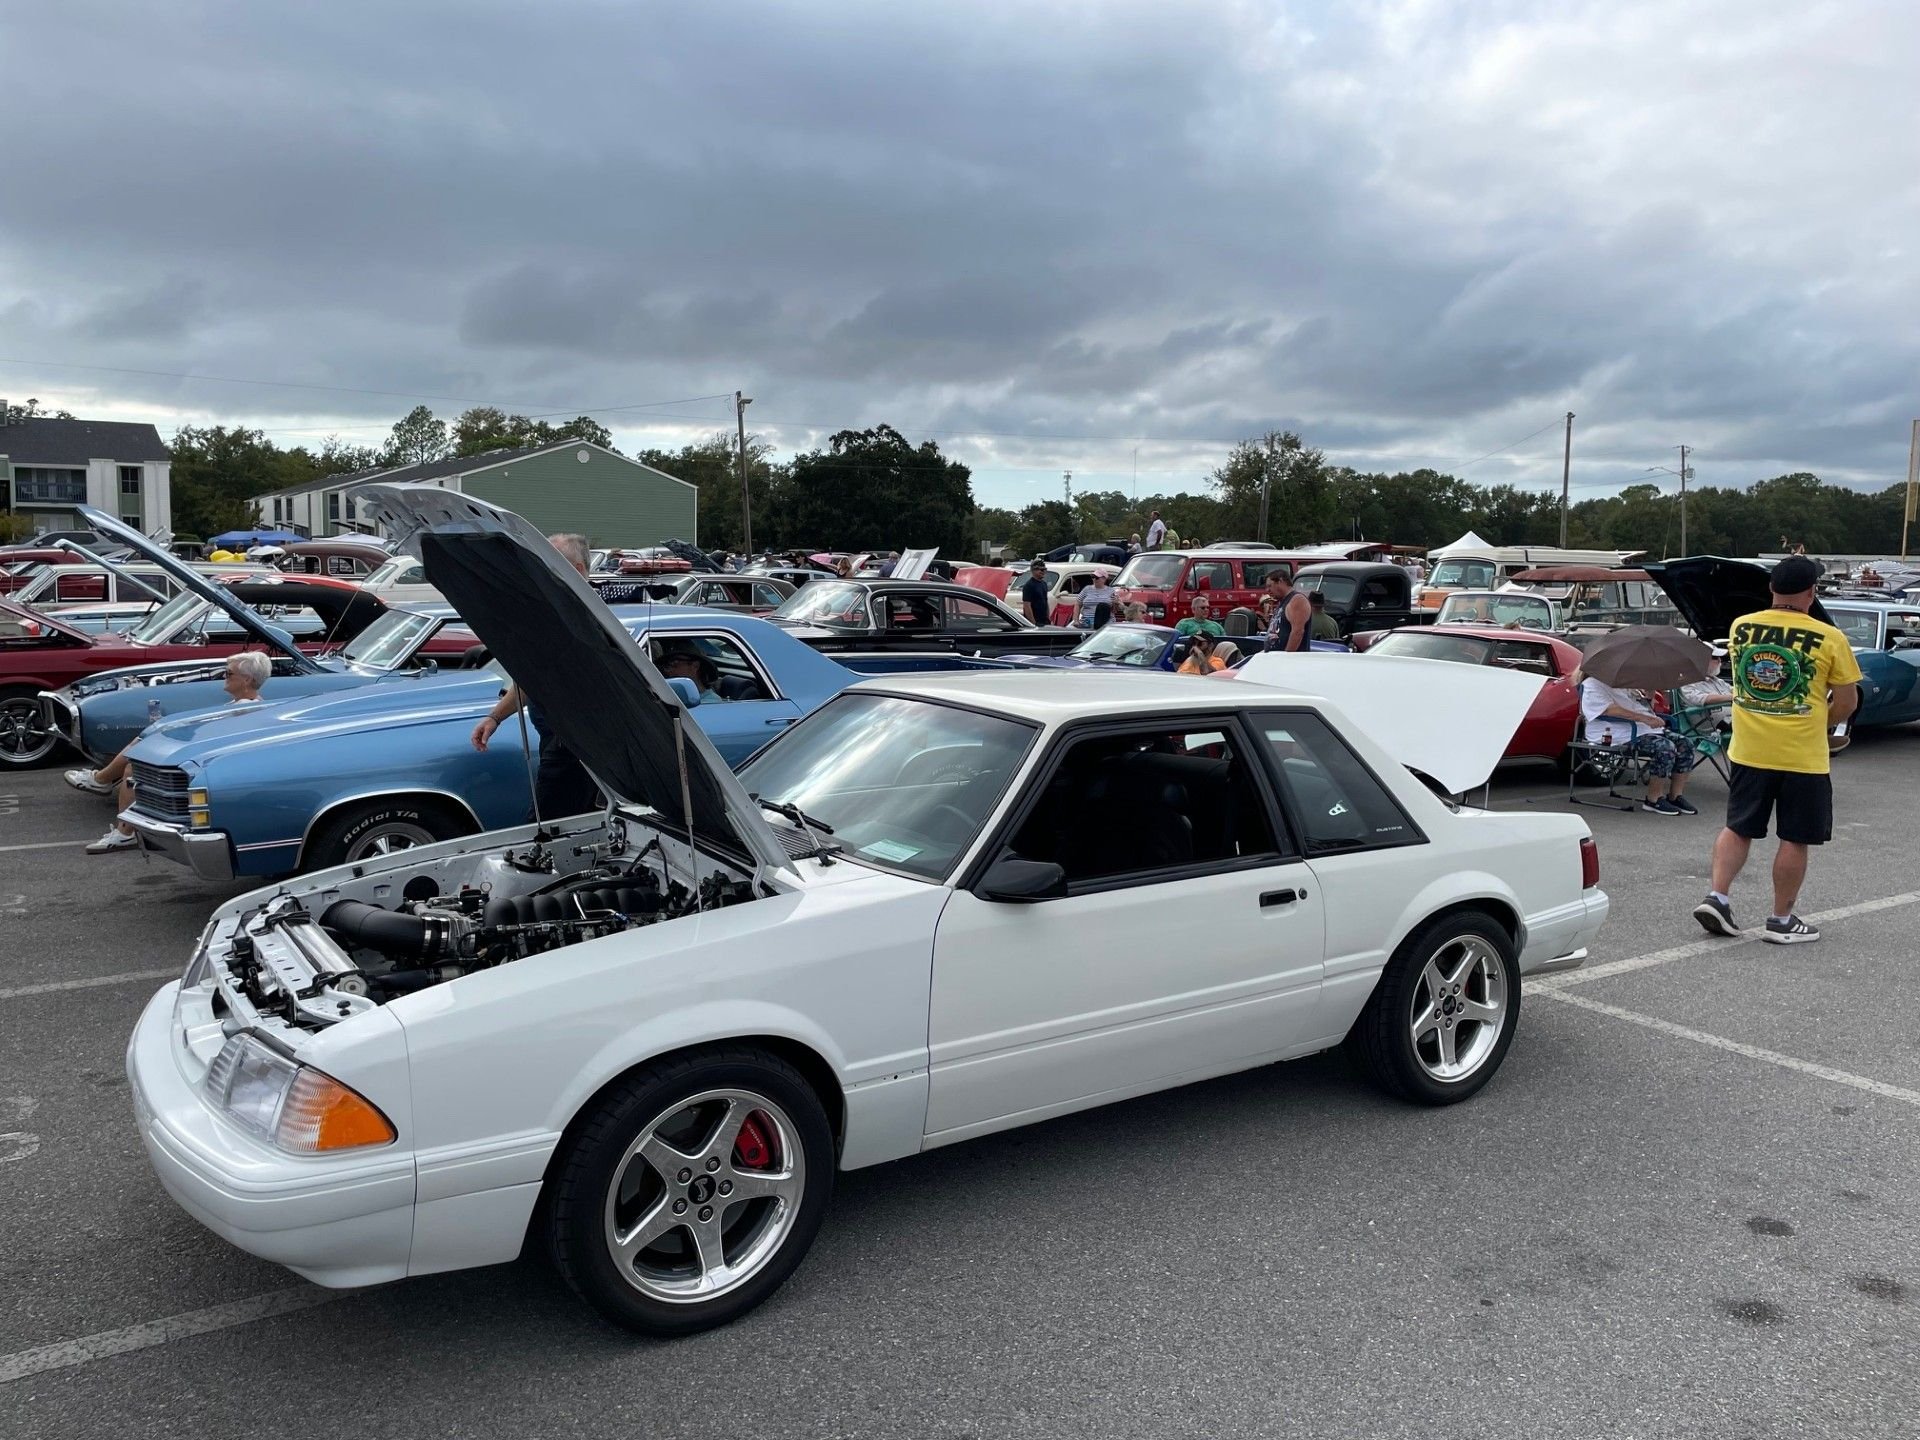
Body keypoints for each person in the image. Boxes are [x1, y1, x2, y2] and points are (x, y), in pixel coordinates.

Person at [1693, 555, 1862, 943]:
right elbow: (1848, 703)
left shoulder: (1741, 627)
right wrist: (1818, 722)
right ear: (1812, 592)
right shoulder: (1830, 637)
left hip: (1749, 749)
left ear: (1771, 589)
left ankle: (1717, 897)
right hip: (1802, 754)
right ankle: (1781, 920)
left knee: (1738, 826)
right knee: (1795, 836)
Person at [70, 650, 272, 853]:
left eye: (229, 674)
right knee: (141, 745)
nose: (224, 677)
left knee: (134, 767)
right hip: (206, 758)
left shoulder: (245, 708)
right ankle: (107, 792)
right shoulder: (249, 704)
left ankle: (115, 810)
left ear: (246, 680)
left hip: (206, 763)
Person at [472, 532, 602, 821]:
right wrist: (494, 718)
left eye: (545, 566)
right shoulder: (555, 614)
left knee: (546, 828)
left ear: (577, 570)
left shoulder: (593, 621)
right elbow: (533, 679)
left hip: (574, 748)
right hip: (554, 741)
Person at [1580, 678, 1698, 815]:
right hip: (1617, 733)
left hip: (1643, 729)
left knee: (1686, 744)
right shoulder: (1592, 684)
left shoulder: (1623, 685)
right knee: (1665, 747)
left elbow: (1640, 707)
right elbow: (1609, 710)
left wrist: (1649, 696)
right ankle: (1653, 799)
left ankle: (1675, 796)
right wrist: (1645, 719)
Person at [1262, 572, 1311, 652]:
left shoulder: (1297, 600)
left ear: (1280, 581)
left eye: (1270, 586)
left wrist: (1286, 657)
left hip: (1288, 661)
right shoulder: (1282, 602)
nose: (1267, 590)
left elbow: (1297, 632)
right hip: (1274, 659)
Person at [657, 647, 723, 703]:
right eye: (666, 666)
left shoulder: (711, 703)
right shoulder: (667, 697)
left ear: (695, 666)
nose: (668, 670)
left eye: (675, 664)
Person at [1019, 559, 1051, 626]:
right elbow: (1027, 606)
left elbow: (1046, 602)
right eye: (1040, 570)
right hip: (1035, 623)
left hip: (1044, 622)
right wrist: (1033, 624)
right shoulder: (1029, 585)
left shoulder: (1044, 584)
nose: (1043, 571)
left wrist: (1048, 618)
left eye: (1044, 569)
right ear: (1033, 571)